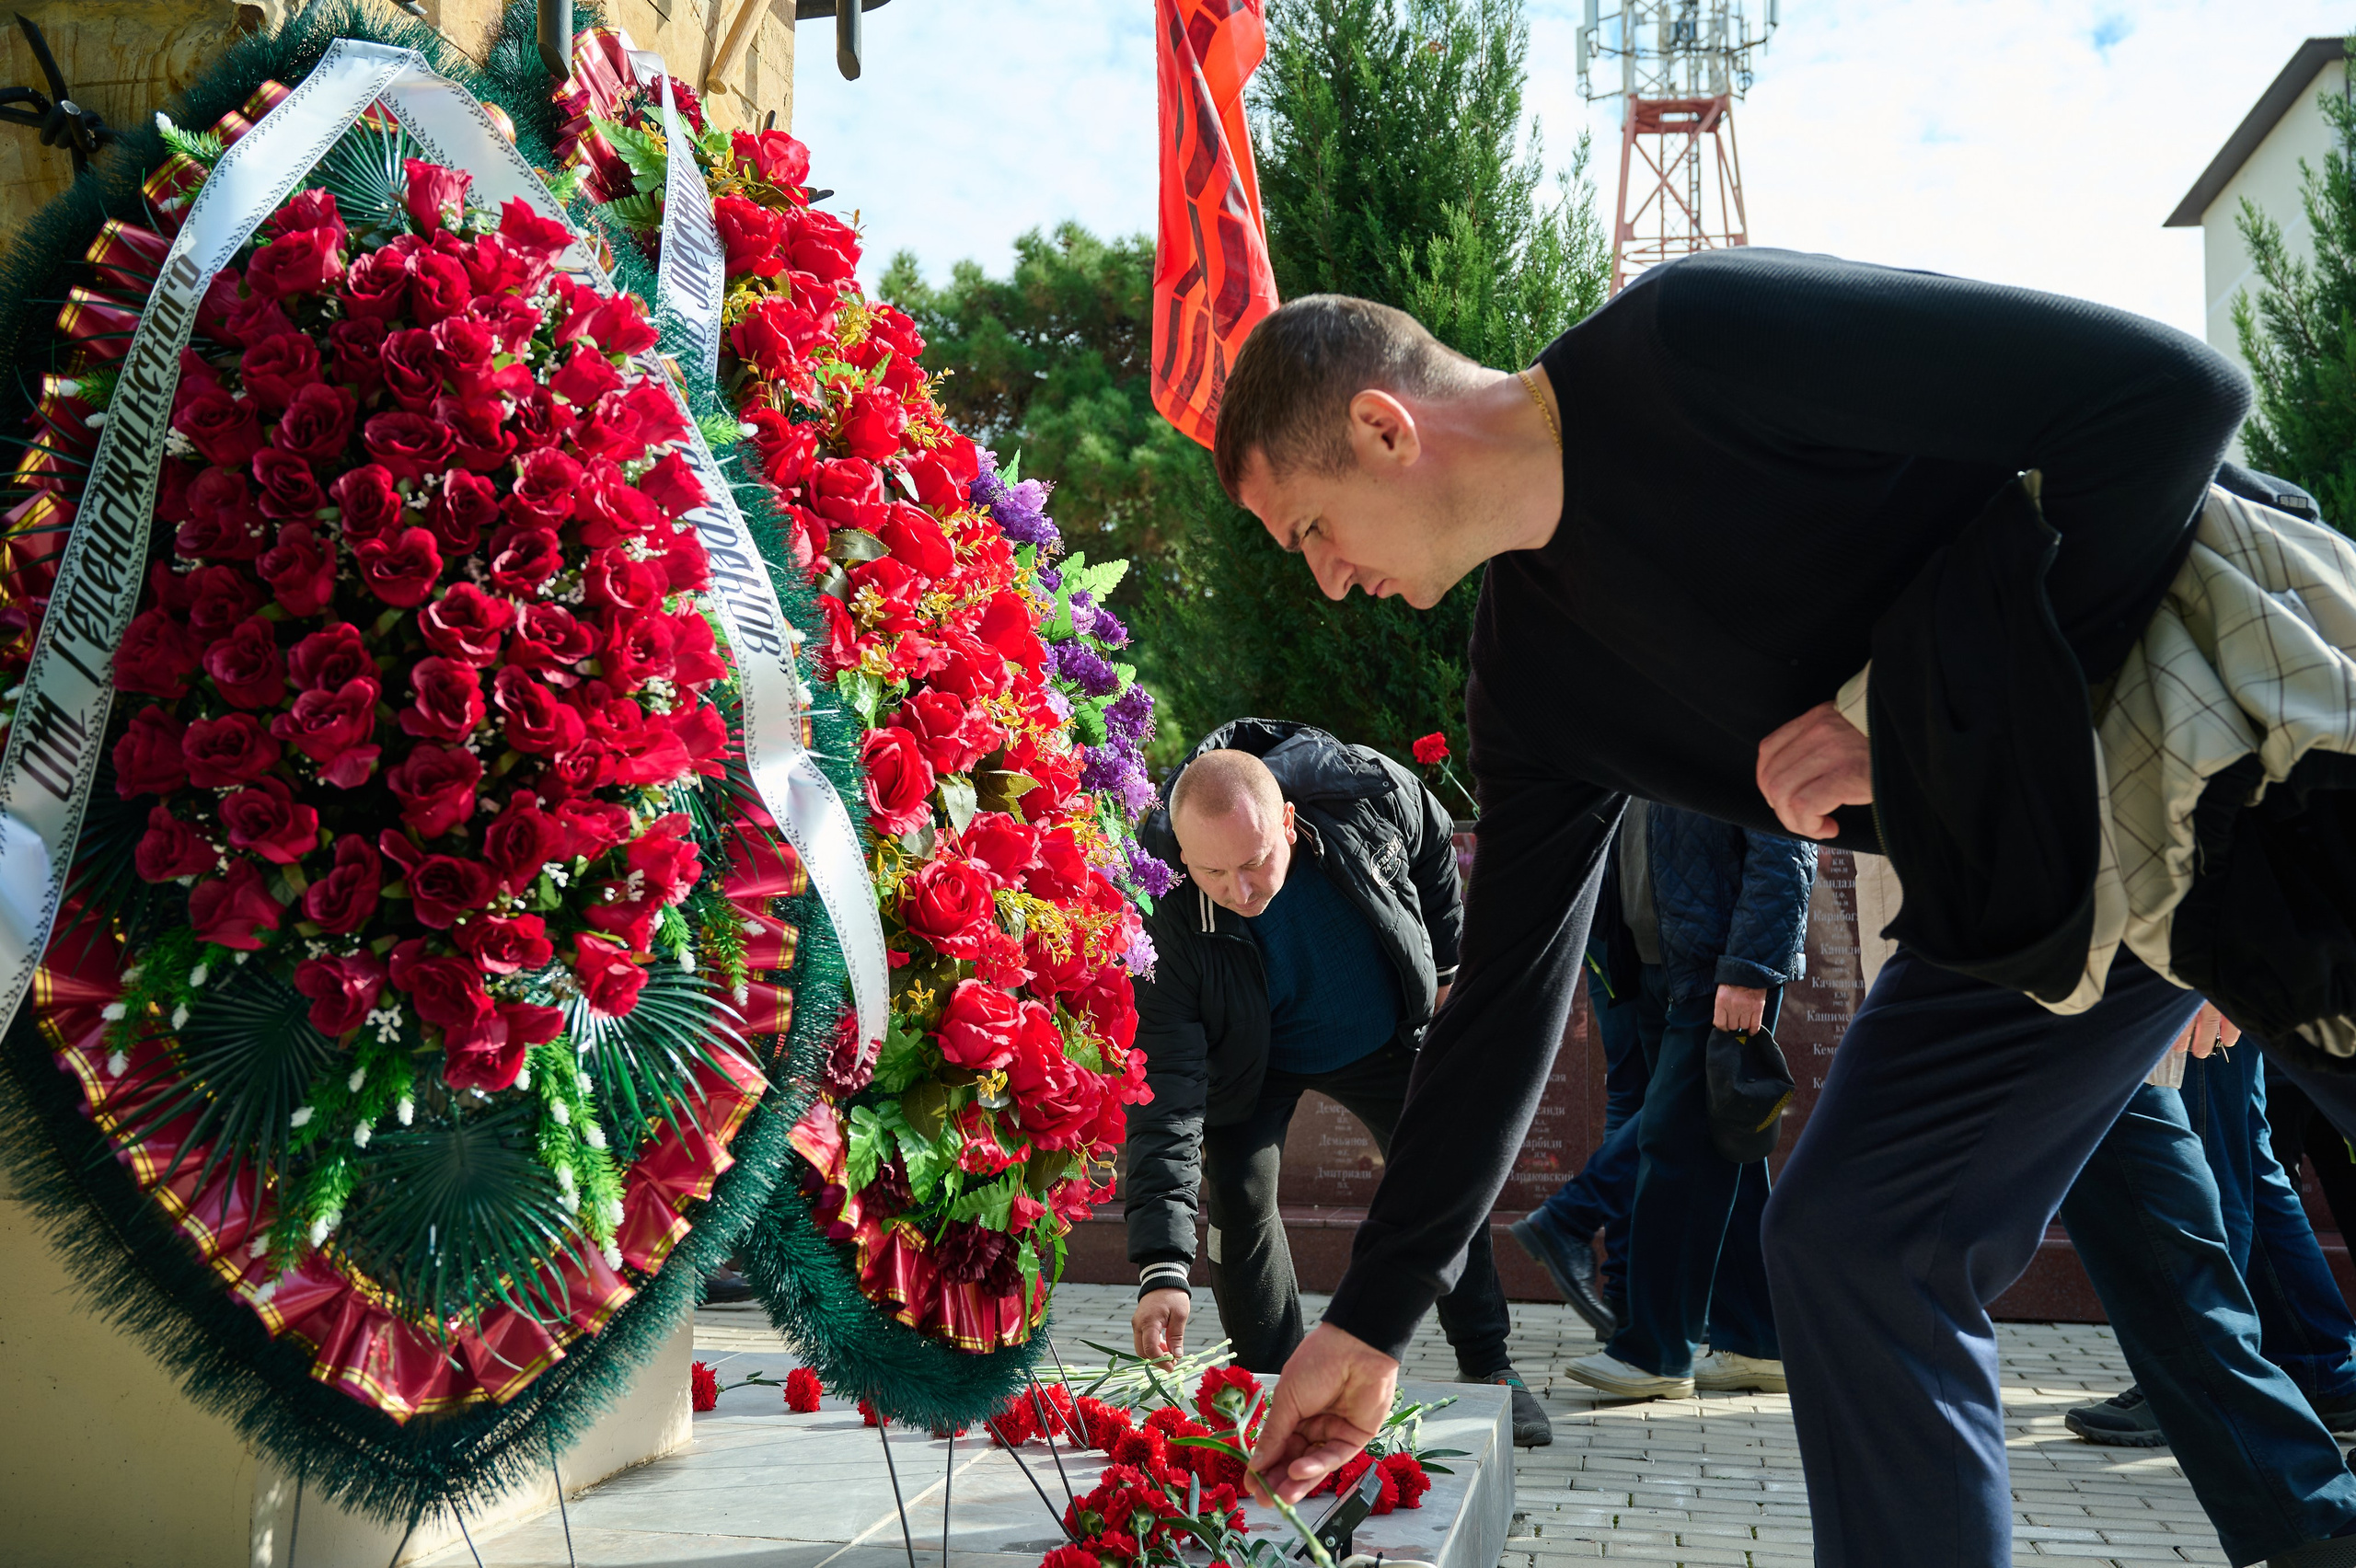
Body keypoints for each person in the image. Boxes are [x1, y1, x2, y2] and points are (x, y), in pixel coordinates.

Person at [1206, 253, 2356, 1568]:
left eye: (1309, 531)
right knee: (1861, 1240)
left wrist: (1950, 736)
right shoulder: (1533, 680)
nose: (1329, 582)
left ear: (1382, 428)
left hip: (2248, 761)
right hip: (2035, 889)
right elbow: (1509, 1004)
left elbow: (2167, 399)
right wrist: (1370, 1320)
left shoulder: (1690, 346)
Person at [1122, 719, 1552, 1447]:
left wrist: (1446, 970)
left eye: (1255, 862)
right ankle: (1273, 1391)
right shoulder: (1163, 909)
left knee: (1449, 1175)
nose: (1240, 890)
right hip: (1252, 1063)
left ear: (1288, 820)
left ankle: (1490, 1363)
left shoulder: (1353, 787)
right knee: (1238, 1198)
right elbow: (1168, 1085)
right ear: (1183, 851)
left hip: (1384, 1034)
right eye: (1213, 873)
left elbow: (1431, 836)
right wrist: (1162, 1264)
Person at [1516, 801, 1815, 1398]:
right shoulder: (1650, 715)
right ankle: (1762, 1341)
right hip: (1655, 963)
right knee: (1721, 1152)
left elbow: (1787, 842)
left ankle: (1654, 1353)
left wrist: (1751, 968)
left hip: (1719, 969)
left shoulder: (1733, 708)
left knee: (1676, 1151)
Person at [2058, 1012, 2356, 1566]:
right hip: (2033, 973)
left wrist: (2203, 964)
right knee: (2234, 1154)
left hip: (2104, 976)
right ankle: (2318, 1491)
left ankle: (2317, 1514)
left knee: (2208, 1167)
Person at [1507, 811, 1656, 1338]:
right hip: (1639, 900)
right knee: (1667, 1096)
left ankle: (1621, 1293)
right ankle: (1617, 1278)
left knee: (1635, 1096)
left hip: (1598, 893)